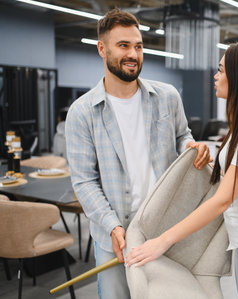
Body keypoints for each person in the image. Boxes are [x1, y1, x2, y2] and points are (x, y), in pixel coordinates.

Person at [126, 42, 238, 299]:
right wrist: (209, 160)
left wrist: (162, 241)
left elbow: (222, 200)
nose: (216, 76)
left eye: (221, 70)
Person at [65, 8, 211, 299]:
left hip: (163, 230)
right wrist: (112, 226)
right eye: (123, 46)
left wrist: (193, 148)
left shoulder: (167, 97)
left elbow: (184, 137)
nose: (133, 53)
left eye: (138, 46)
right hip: (113, 237)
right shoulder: (82, 113)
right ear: (101, 48)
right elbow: (84, 181)